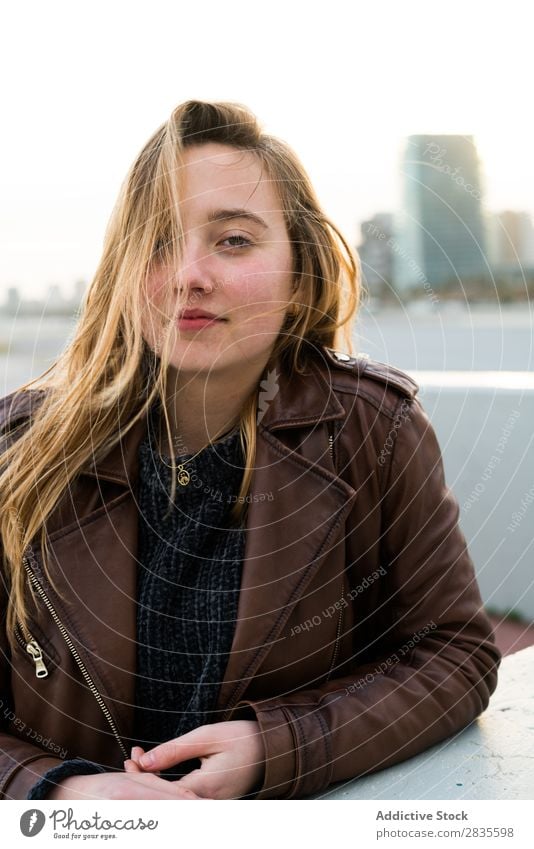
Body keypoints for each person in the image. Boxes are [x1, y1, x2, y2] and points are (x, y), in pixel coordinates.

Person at [0, 100, 500, 801]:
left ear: (299, 274)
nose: (188, 275)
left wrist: (280, 746)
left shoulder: (372, 431)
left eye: (233, 240)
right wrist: (57, 791)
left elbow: (455, 652)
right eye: (157, 241)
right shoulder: (17, 450)